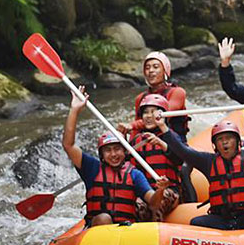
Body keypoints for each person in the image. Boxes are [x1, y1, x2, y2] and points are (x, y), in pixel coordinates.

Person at [62, 86, 169, 227]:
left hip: (124, 231)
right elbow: (68, 145)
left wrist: (160, 189)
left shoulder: (135, 174)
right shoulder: (91, 168)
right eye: (108, 150)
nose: (113, 154)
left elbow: (153, 203)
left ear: (125, 152)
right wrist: (74, 110)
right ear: (101, 154)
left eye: (117, 149)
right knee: (104, 218)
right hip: (97, 231)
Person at [156, 107, 244, 230]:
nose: (225, 143)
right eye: (220, 139)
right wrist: (163, 127)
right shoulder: (208, 161)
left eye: (229, 138)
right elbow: (183, 151)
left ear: (237, 142)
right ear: (215, 145)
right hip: (224, 219)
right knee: (196, 222)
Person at [130, 94, 183, 221]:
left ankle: (156, 236)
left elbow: (180, 159)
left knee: (158, 201)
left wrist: (161, 143)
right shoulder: (137, 140)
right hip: (146, 192)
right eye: (145, 112)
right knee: (134, 206)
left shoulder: (172, 137)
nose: (148, 116)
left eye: (153, 112)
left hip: (170, 191)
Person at [120, 51, 190, 143]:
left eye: (155, 67)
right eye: (147, 68)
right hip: (150, 143)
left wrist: (132, 125)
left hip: (175, 144)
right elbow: (136, 130)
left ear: (165, 70)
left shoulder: (177, 93)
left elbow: (161, 116)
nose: (151, 71)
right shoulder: (140, 98)